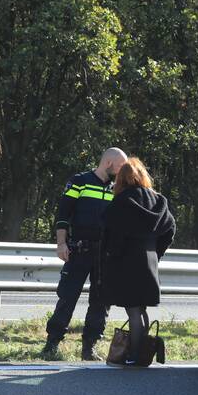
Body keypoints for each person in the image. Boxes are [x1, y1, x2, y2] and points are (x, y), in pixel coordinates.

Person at [41, 147, 128, 361]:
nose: (121, 173)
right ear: (108, 163)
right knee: (67, 297)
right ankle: (52, 344)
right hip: (79, 250)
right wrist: (61, 244)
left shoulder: (117, 189)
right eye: (120, 167)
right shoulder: (80, 181)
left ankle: (89, 348)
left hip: (104, 255)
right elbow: (63, 214)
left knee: (101, 302)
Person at [99, 157, 176, 365]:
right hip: (149, 261)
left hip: (126, 262)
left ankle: (134, 355)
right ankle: (142, 353)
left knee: (133, 310)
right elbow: (170, 229)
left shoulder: (121, 203)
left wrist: (111, 256)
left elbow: (112, 236)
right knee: (141, 309)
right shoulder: (159, 201)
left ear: (121, 180)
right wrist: (156, 252)